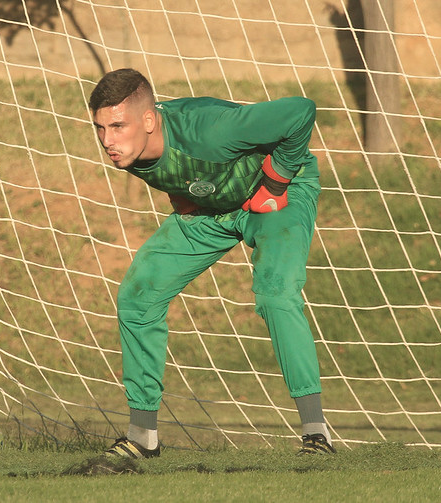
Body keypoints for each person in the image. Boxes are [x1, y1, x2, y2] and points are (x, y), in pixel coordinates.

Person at [88, 68, 334, 458]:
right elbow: (181, 171)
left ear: (149, 120)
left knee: (275, 294)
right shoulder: (131, 149)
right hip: (212, 209)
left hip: (277, 196)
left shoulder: (212, 131)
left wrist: (277, 179)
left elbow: (300, 111)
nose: (107, 140)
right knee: (138, 298)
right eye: (100, 128)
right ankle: (142, 437)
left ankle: (316, 435)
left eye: (118, 126)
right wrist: (182, 196)